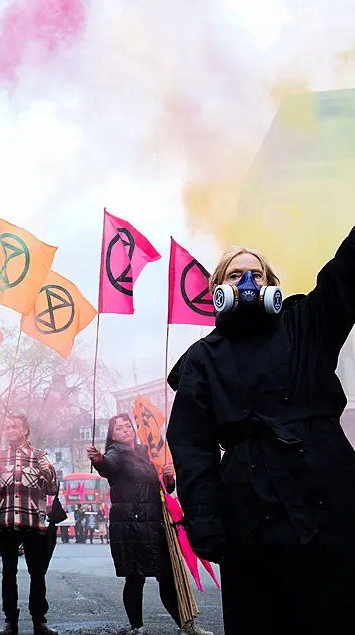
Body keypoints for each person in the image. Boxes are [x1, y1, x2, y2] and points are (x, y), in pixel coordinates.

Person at [166, 232, 355, 635]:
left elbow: (345, 275)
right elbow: (192, 447)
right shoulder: (203, 359)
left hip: (329, 504)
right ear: (218, 290)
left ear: (271, 286)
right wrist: (205, 521)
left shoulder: (305, 324)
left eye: (256, 274)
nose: (247, 283)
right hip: (251, 518)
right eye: (236, 276)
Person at [87, 415, 212, 635]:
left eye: (128, 426)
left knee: (168, 576)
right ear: (112, 435)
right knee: (135, 577)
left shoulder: (146, 453)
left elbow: (164, 490)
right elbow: (108, 467)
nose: (126, 430)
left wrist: (169, 479)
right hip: (130, 526)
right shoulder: (116, 452)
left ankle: (186, 625)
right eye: (119, 428)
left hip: (155, 525)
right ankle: (137, 627)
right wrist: (98, 459)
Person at [0, 414, 60, 635]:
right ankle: (10, 621)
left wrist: (47, 471)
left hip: (33, 523)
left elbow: (53, 488)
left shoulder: (39, 456)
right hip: (7, 523)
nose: (10, 430)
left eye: (15, 426)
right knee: (9, 573)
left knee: (37, 573)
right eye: (7, 427)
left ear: (26, 431)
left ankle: (39, 621)